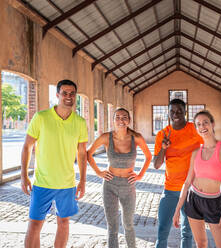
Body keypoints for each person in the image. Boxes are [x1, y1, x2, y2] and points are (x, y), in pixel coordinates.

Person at [21, 79, 88, 248]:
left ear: (75, 96)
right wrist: (24, 176)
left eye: (72, 94)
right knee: (35, 225)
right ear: (57, 95)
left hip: (67, 184)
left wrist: (82, 181)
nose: (68, 96)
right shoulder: (41, 117)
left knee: (64, 223)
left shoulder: (80, 122)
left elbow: (81, 153)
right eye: (64, 93)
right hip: (42, 182)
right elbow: (27, 146)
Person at [87, 108, 151, 248]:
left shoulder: (137, 137)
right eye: (117, 117)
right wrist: (99, 172)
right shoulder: (106, 137)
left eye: (124, 117)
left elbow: (148, 156)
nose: (121, 120)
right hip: (110, 185)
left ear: (129, 120)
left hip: (128, 186)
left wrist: (140, 175)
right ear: (113, 120)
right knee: (112, 227)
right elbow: (89, 153)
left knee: (128, 225)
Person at [172, 110, 221, 248]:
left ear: (212, 124)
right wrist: (177, 210)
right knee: (200, 244)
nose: (202, 127)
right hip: (193, 200)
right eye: (198, 124)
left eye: (205, 122)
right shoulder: (195, 153)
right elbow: (188, 182)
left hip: (213, 202)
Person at [153, 98, 203, 248]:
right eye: (172, 111)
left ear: (185, 112)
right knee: (162, 230)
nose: (176, 114)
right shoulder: (163, 134)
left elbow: (211, 147)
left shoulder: (195, 130)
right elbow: (156, 164)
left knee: (187, 232)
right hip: (171, 190)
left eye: (179, 111)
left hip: (191, 190)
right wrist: (164, 147)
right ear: (168, 113)